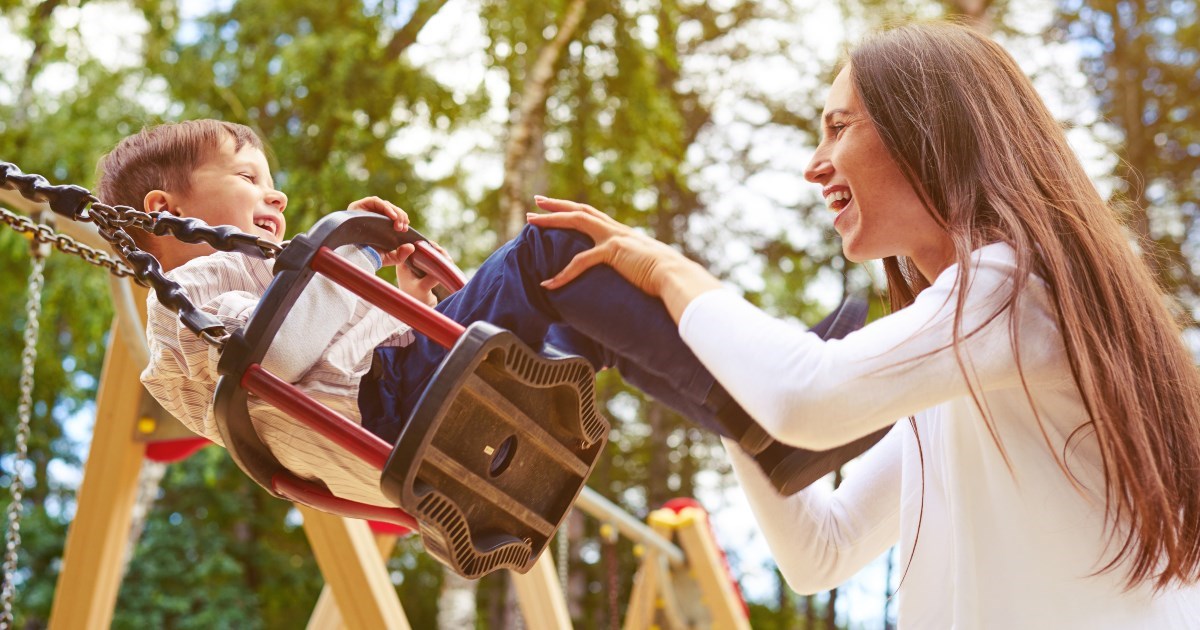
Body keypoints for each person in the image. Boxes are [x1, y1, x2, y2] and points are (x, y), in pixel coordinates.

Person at [526, 21, 1200, 628]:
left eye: (839, 128)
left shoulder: (1014, 290)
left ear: (928, 131)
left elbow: (808, 398)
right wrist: (714, 379)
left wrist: (670, 273)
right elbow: (824, 549)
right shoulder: (967, 368)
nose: (814, 164)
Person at [96, 119, 867, 508]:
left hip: (399, 407)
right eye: (248, 177)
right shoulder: (189, 293)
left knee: (587, 313)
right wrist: (351, 256)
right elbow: (279, 354)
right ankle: (774, 383)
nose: (277, 196)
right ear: (167, 210)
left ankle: (762, 427)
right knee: (553, 250)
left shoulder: (256, 277)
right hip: (395, 408)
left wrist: (415, 297)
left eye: (273, 182)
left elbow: (335, 349)